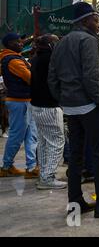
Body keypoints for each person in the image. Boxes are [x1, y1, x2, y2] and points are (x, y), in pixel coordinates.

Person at [48, 2, 99, 218]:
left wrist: (64, 100)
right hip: (91, 106)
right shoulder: (89, 41)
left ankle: (75, 202)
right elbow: (92, 77)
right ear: (85, 20)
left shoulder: (61, 43)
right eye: (96, 18)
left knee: (75, 157)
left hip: (71, 108)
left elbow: (52, 78)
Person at [30, 34, 67, 190]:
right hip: (49, 106)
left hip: (37, 105)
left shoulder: (36, 58)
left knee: (44, 142)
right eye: (56, 42)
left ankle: (44, 175)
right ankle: (48, 177)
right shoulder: (51, 59)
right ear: (51, 45)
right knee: (57, 141)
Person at [0, 33, 38, 178]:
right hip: (19, 102)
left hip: (24, 101)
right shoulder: (13, 61)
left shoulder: (12, 58)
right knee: (16, 136)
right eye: (18, 42)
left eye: (21, 41)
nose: (21, 44)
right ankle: (6, 166)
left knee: (31, 136)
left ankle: (31, 168)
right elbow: (30, 78)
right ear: (9, 44)